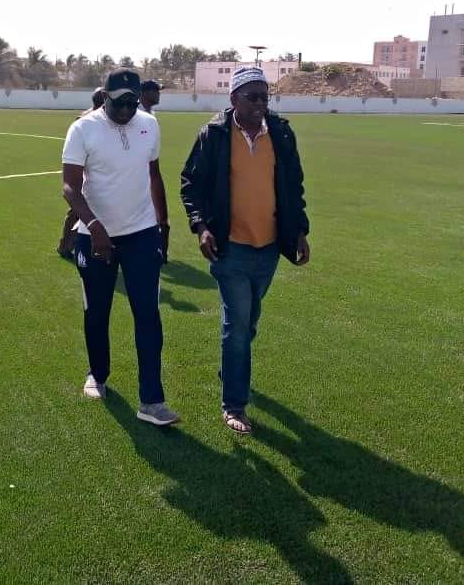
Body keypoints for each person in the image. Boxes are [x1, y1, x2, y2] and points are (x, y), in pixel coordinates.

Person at [179, 66, 311, 434]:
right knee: (237, 325)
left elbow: (294, 186)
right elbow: (191, 184)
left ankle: (231, 366)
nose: (260, 104)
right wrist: (201, 227)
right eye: (252, 97)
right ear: (233, 99)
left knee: (249, 321)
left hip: (268, 247)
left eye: (264, 97)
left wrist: (300, 231)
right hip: (230, 247)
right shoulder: (214, 135)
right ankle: (234, 405)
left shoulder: (281, 133)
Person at [62, 68, 178, 426]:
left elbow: (153, 174)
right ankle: (97, 374)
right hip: (94, 236)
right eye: (119, 104)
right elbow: (70, 186)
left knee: (148, 315)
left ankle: (152, 401)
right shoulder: (83, 129)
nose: (126, 110)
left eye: (132, 103)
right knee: (97, 311)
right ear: (105, 97)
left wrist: (163, 223)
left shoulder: (149, 125)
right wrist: (95, 226)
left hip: (141, 233)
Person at [57, 87, 107, 259]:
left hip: (85, 172)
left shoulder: (84, 117)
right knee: (81, 211)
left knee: (75, 212)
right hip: (89, 174)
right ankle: (71, 245)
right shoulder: (90, 121)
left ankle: (65, 244)